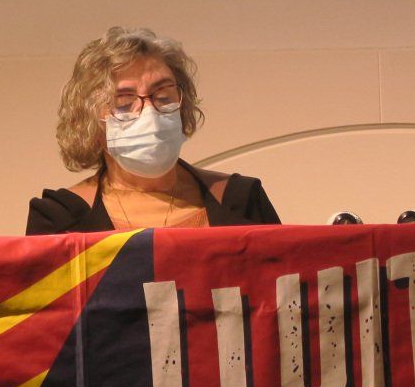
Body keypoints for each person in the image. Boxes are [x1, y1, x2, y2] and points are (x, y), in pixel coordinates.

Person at [27, 27, 280, 233]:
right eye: (124, 102)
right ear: (91, 122)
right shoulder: (60, 217)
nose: (150, 113)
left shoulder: (241, 200)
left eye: (163, 96)